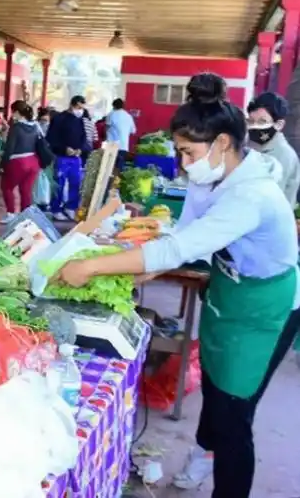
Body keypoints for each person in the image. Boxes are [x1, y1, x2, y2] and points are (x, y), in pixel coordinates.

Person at [56, 73, 300, 498]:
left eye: (188, 152)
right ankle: (206, 454)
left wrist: (91, 269)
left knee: (235, 417)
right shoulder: (210, 178)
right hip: (230, 295)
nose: (183, 162)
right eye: (179, 151)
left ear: (223, 143)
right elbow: (182, 239)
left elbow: (181, 247)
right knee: (216, 391)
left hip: (267, 310)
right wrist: (137, 271)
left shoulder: (252, 194)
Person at [246, 92, 300, 205]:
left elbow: (270, 201)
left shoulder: (284, 155)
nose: (254, 126)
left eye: (262, 122)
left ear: (279, 125)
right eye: (251, 121)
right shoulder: (248, 144)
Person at [46, 95, 89, 221]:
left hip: (76, 157)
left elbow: (83, 137)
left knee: (76, 183)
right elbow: (51, 139)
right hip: (61, 157)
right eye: (79, 107)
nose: (80, 110)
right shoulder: (59, 119)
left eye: (82, 108)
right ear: (72, 105)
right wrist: (64, 148)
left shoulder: (80, 120)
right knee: (59, 183)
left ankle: (71, 207)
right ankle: (55, 209)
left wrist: (80, 149)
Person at [0, 101, 42, 223]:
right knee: (26, 189)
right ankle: (25, 215)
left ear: (17, 112)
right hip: (33, 162)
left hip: (18, 161)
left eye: (13, 112)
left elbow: (9, 147)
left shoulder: (16, 127)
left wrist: (3, 164)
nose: (12, 115)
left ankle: (11, 214)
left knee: (6, 186)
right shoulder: (35, 125)